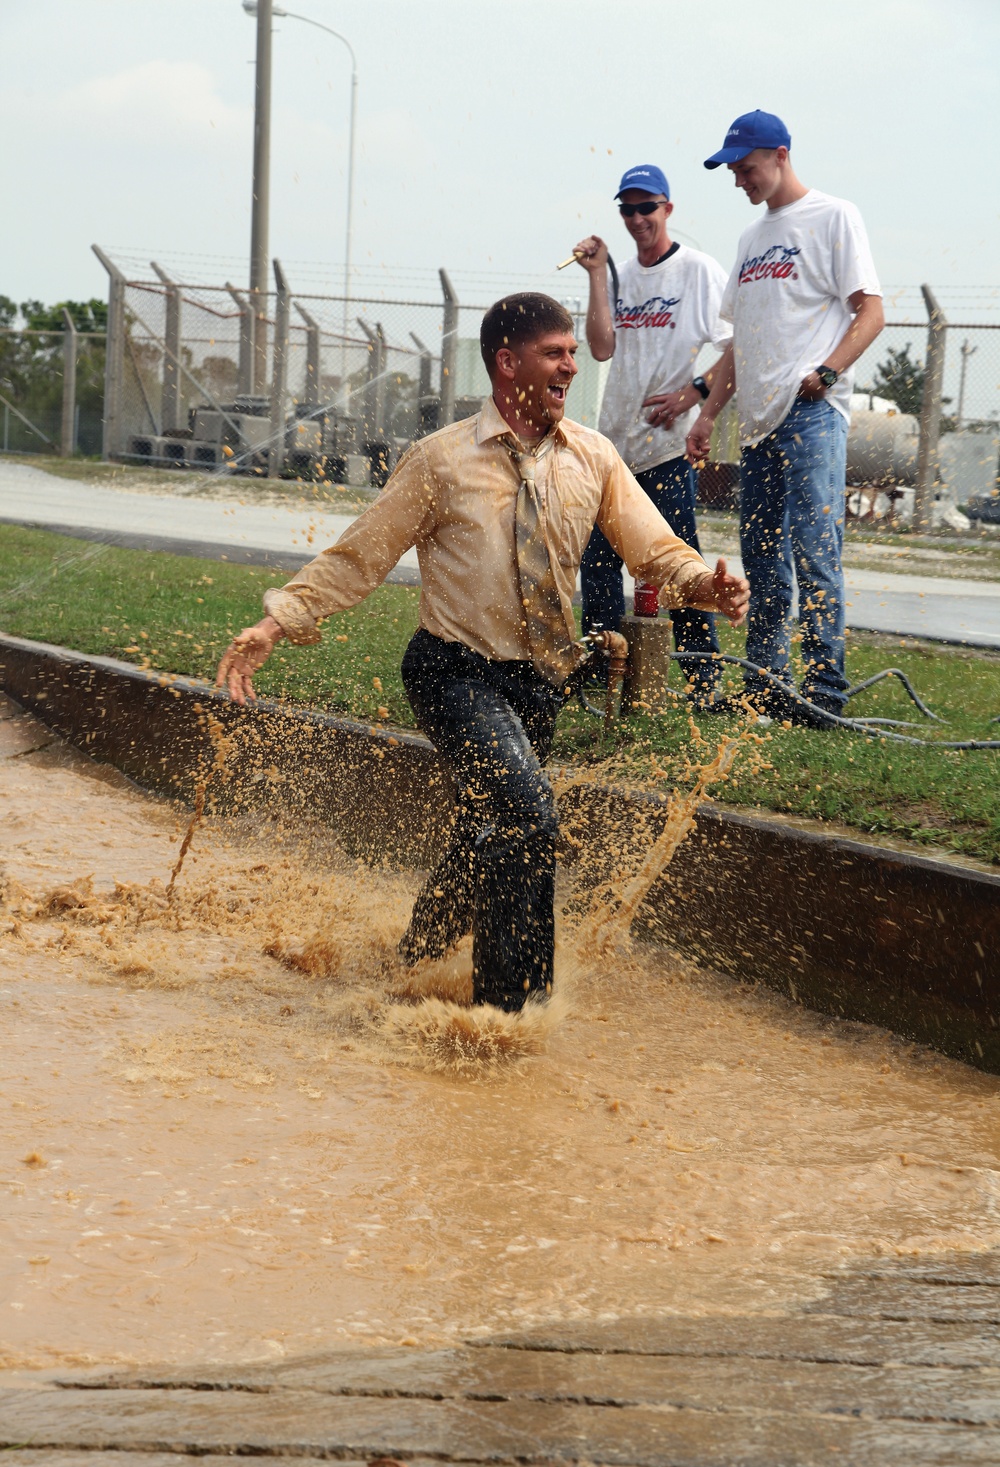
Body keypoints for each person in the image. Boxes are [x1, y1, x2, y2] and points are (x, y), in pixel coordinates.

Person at [216, 294, 748, 1013]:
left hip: (539, 681)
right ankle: (511, 1012)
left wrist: (702, 586)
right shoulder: (440, 461)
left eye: (571, 353)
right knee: (527, 812)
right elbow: (360, 555)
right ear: (507, 363)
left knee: (489, 830)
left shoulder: (592, 457)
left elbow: (653, 550)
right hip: (452, 671)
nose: (571, 365)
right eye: (555, 353)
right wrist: (275, 623)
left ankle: (416, 960)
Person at [687, 111, 884, 725]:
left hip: (811, 417)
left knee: (815, 551)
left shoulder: (833, 216)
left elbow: (871, 311)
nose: (740, 180)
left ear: (779, 155)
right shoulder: (750, 240)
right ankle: (767, 685)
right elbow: (738, 344)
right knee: (764, 557)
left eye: (746, 168)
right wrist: (707, 414)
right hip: (758, 424)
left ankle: (825, 692)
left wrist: (826, 373)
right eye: (733, 171)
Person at [572, 163, 733, 704]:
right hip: (613, 448)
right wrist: (597, 274)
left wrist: (694, 395)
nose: (638, 218)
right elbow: (600, 347)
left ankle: (701, 680)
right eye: (628, 209)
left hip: (664, 452)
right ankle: (601, 670)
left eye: (648, 207)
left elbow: (736, 347)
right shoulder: (621, 276)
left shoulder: (698, 270)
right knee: (596, 565)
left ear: (668, 209)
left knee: (679, 567)